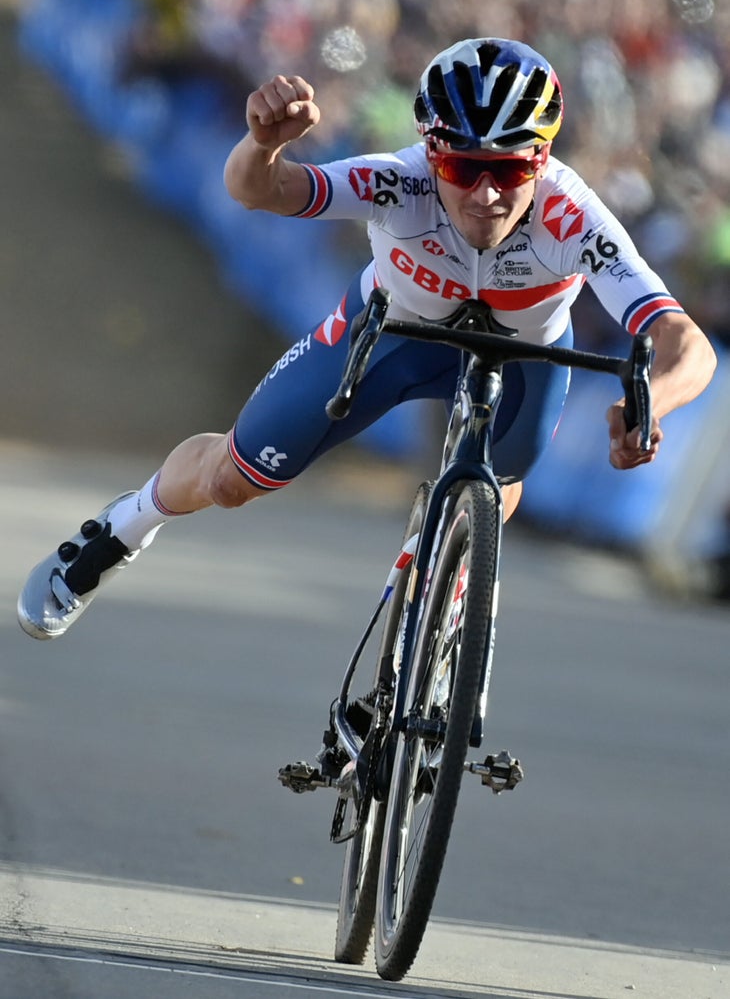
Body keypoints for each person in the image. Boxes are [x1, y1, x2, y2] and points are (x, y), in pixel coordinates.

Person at [18, 37, 716, 639]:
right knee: (232, 479)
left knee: (496, 486)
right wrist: (264, 144)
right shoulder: (398, 183)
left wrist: (653, 399)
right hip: (392, 336)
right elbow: (258, 192)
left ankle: (436, 627)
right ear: (430, 153)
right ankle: (123, 527)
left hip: (525, 360)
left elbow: (687, 344)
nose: (485, 194)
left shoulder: (572, 214)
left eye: (508, 170)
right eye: (463, 168)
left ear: (541, 160)